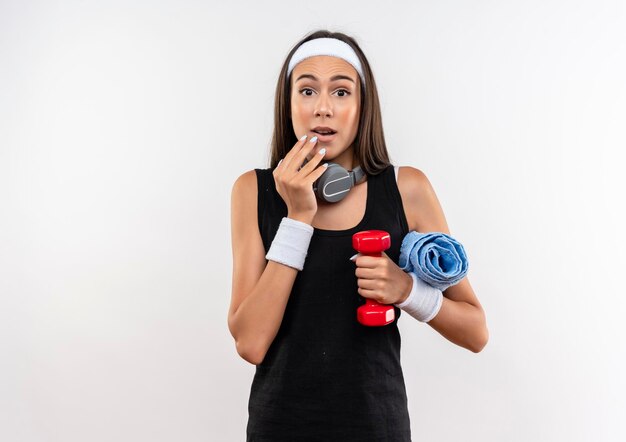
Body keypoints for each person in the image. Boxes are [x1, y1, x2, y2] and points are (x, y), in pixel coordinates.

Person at [228, 29, 489, 441]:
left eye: (342, 92)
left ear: (363, 106)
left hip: (376, 426)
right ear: (289, 103)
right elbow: (251, 343)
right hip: (280, 427)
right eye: (307, 91)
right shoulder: (253, 190)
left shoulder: (408, 189)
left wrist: (408, 291)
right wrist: (298, 217)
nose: (324, 109)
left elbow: (476, 332)